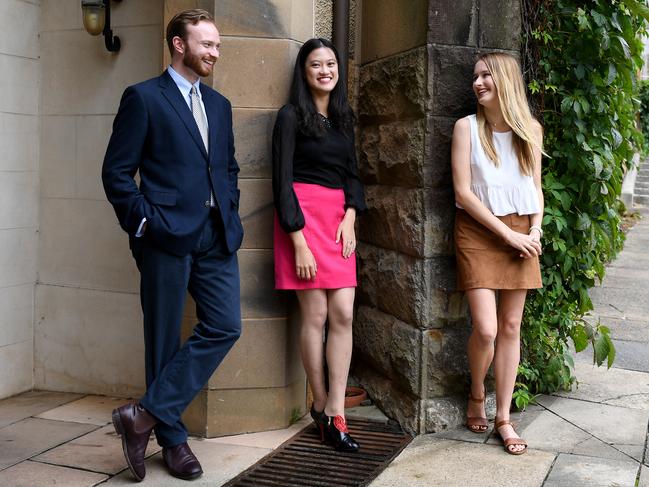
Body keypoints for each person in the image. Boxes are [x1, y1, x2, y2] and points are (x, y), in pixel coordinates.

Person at [102, 9, 243, 481]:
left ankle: (142, 416)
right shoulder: (143, 97)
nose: (215, 53)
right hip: (164, 234)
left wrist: (230, 206)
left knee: (225, 325)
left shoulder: (220, 105)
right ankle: (173, 440)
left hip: (216, 234)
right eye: (207, 44)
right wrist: (145, 223)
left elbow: (227, 168)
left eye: (218, 46)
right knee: (162, 340)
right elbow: (116, 173)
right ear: (179, 44)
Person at [272, 38, 366, 452]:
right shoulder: (291, 116)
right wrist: (298, 241)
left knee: (343, 311)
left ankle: (336, 410)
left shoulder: (344, 118)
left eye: (331, 63)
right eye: (316, 64)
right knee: (317, 314)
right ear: (304, 71)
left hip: (337, 222)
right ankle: (321, 402)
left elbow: (353, 175)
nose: (325, 70)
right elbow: (281, 180)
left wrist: (350, 216)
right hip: (303, 221)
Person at [451, 52, 544, 455]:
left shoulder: (531, 131)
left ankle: (504, 417)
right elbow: (463, 193)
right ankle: (476, 393)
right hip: (480, 230)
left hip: (522, 233)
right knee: (486, 328)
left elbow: (535, 189)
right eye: (476, 76)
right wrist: (507, 234)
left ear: (505, 80)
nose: (478, 82)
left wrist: (535, 229)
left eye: (487, 75)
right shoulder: (466, 128)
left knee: (510, 328)